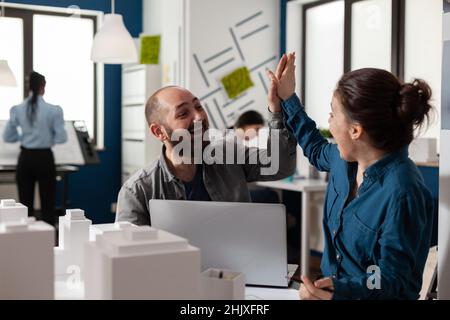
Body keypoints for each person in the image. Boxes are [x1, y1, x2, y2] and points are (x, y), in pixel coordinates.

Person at [266, 53, 434, 299]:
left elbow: (392, 281)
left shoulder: (403, 192)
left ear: (355, 130)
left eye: (333, 115)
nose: (329, 123)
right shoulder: (344, 160)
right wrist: (288, 98)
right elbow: (314, 147)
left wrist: (340, 291)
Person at [115, 85, 297, 225]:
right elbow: (129, 260)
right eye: (183, 113)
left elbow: (281, 166)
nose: (199, 117)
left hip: (237, 270)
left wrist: (277, 109)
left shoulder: (230, 155)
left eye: (198, 106)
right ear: (159, 132)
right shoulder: (137, 191)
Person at [3, 71, 67, 226]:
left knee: (25, 207)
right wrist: (48, 138)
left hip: (25, 158)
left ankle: (27, 243)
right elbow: (61, 138)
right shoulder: (54, 110)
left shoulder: (17, 109)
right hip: (45, 158)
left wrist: (23, 137)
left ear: (29, 87)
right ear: (42, 87)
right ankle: (48, 244)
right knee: (48, 205)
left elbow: (7, 137)